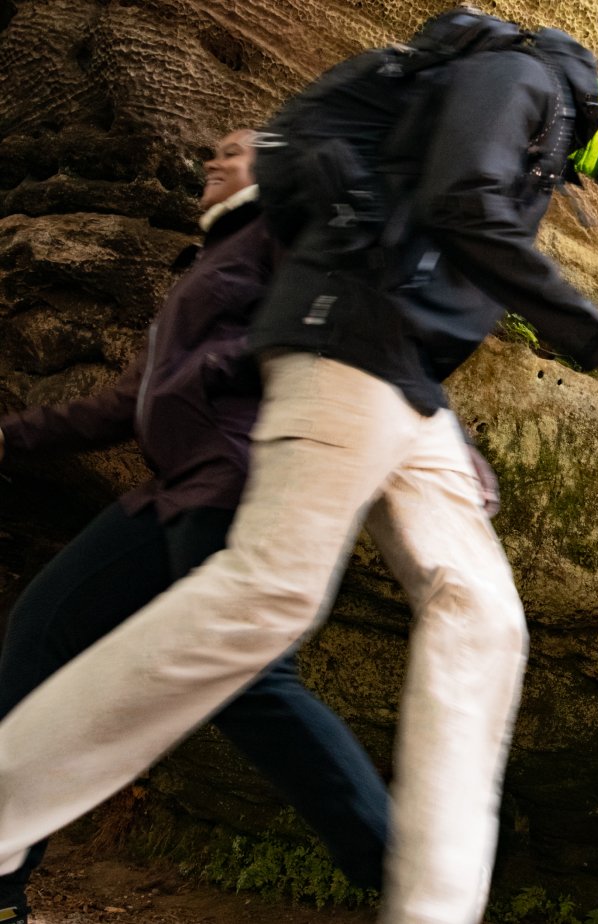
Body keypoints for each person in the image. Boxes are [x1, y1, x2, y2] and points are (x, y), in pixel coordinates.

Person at [0, 17, 598, 924]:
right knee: (253, 613)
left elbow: (434, 251)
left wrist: (445, 436)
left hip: (392, 383)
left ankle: (433, 908)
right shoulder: (522, 84)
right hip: (342, 361)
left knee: (485, 616)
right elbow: (458, 207)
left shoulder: (548, 141)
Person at [0, 130, 390, 924]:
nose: (213, 156)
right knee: (43, 631)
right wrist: (12, 436)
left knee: (250, 680)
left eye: (237, 149)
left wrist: (435, 436)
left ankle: (409, 871)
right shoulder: (216, 257)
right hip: (175, 492)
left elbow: (360, 331)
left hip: (244, 484)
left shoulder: (294, 230)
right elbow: (126, 402)